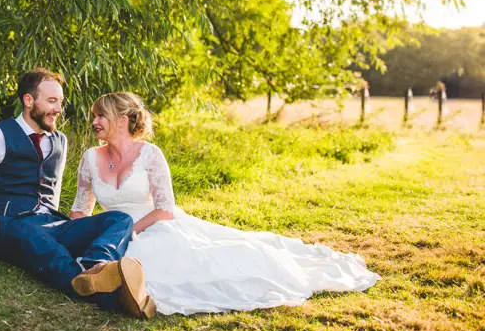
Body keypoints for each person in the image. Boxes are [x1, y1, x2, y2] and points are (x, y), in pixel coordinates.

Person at [71, 92, 380, 316]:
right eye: (95, 115)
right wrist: (74, 233)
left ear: (122, 119)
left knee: (177, 265)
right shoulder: (89, 158)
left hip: (153, 226)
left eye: (101, 115)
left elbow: (165, 208)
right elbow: (81, 208)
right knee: (115, 257)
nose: (94, 121)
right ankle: (116, 284)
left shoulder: (150, 155)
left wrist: (129, 230)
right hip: (110, 231)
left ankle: (131, 291)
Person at [0, 69, 156, 318]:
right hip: (13, 226)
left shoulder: (60, 140)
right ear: (28, 100)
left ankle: (98, 267)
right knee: (39, 242)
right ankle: (110, 294)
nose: (58, 109)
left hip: (52, 222)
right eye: (52, 101)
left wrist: (65, 228)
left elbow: (52, 189)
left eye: (60, 102)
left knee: (119, 220)